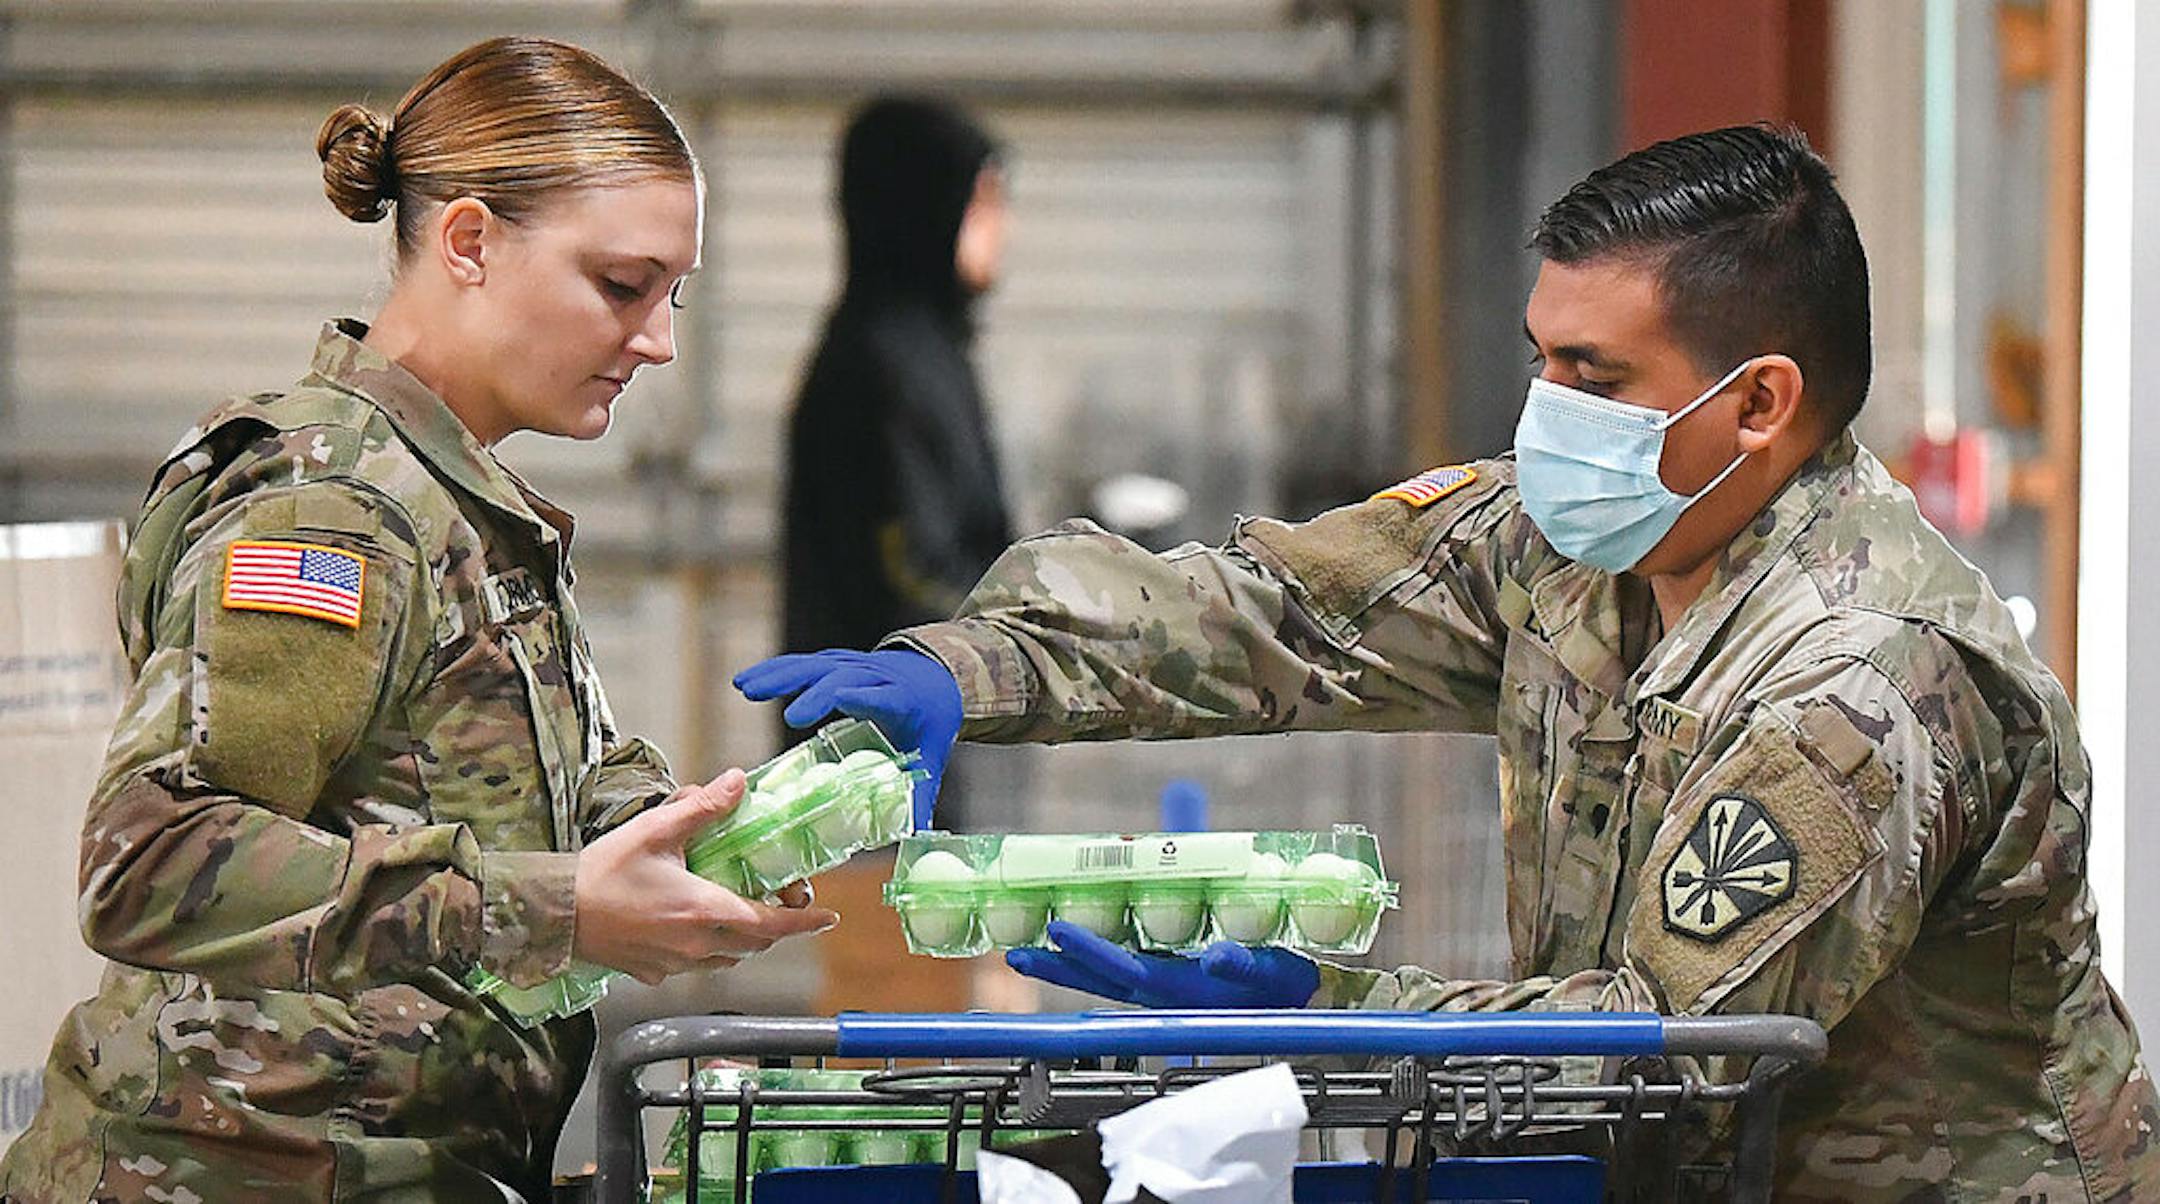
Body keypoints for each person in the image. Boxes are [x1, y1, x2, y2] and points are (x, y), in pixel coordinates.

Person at [736, 125, 2160, 1199]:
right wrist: (976, 669)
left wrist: (1326, 1007)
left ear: (1761, 405)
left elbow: (1669, 1038)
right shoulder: (1577, 541)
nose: (1547, 414)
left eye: (1596, 379)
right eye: (1541, 357)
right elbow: (1287, 614)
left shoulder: (1867, 678)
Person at [0, 38, 835, 1203]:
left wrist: (691, 838)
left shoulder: (454, 501)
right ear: (470, 242)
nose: (659, 341)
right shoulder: (329, 514)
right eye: (621, 285)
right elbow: (150, 860)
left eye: (672, 295)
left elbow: (472, 786)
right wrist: (559, 909)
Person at [777, 96, 1013, 819]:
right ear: (925, 206)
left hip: (934, 722)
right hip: (877, 754)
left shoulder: (933, 349)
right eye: (984, 200)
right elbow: (906, 570)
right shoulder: (878, 364)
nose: (1003, 229)